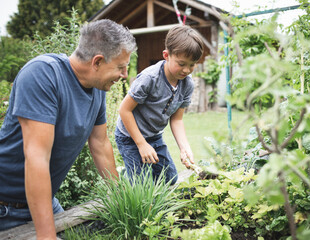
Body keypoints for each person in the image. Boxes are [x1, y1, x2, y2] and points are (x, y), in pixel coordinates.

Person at [0, 19, 137, 239]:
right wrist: (47, 236)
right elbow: (37, 158)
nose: (124, 74)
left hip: (44, 202)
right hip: (5, 208)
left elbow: (100, 144)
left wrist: (122, 202)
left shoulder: (97, 88)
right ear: (97, 61)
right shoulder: (42, 75)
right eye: (121, 67)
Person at [115, 24, 204, 185]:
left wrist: (184, 148)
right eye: (182, 63)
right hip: (129, 136)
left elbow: (177, 120)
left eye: (192, 64)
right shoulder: (150, 78)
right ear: (166, 55)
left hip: (154, 136)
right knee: (140, 187)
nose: (186, 70)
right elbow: (124, 110)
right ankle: (127, 181)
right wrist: (141, 144)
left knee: (169, 179)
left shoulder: (187, 85)